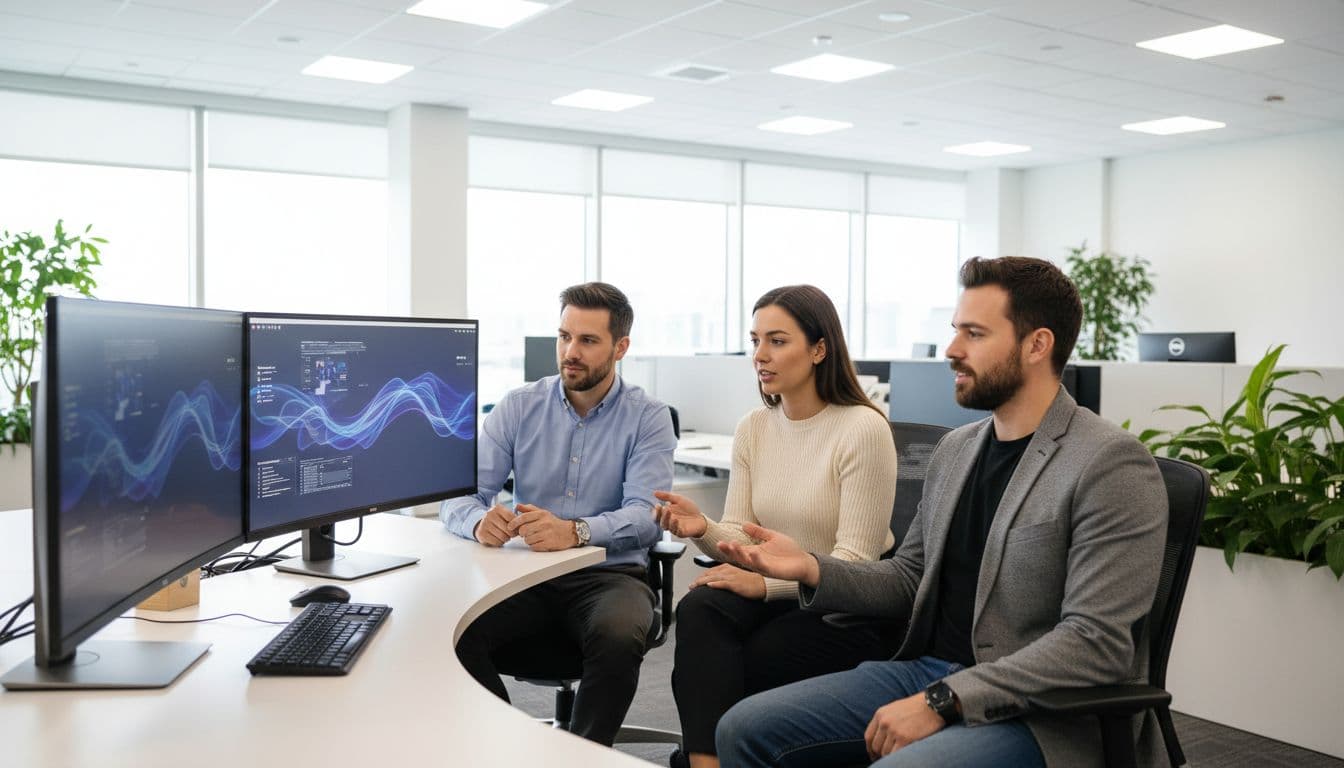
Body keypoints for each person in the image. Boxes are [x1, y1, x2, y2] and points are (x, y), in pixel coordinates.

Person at [712, 257, 1169, 768]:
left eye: (974, 334)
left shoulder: (1109, 463)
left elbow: (1095, 644)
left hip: (1043, 712)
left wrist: (945, 699)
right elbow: (909, 578)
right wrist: (811, 567)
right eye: (955, 332)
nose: (952, 350)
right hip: (926, 669)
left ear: (1037, 345)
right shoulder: (957, 449)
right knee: (742, 730)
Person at [652, 285, 899, 768]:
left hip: (845, 605)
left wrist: (766, 586)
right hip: (781, 590)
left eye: (777, 341)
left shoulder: (862, 429)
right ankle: (707, 762)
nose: (759, 356)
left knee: (753, 656)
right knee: (700, 607)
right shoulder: (754, 427)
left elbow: (856, 564)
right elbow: (745, 538)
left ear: (819, 349)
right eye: (755, 340)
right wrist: (702, 526)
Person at [441, 282, 675, 747]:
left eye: (588, 341)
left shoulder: (648, 417)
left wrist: (577, 531)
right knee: (449, 634)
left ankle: (585, 755)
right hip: (525, 574)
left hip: (609, 575)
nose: (571, 351)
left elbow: (647, 516)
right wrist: (477, 520)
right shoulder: (518, 407)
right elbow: (458, 497)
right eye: (564, 336)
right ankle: (506, 747)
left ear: (620, 347)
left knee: (618, 632)